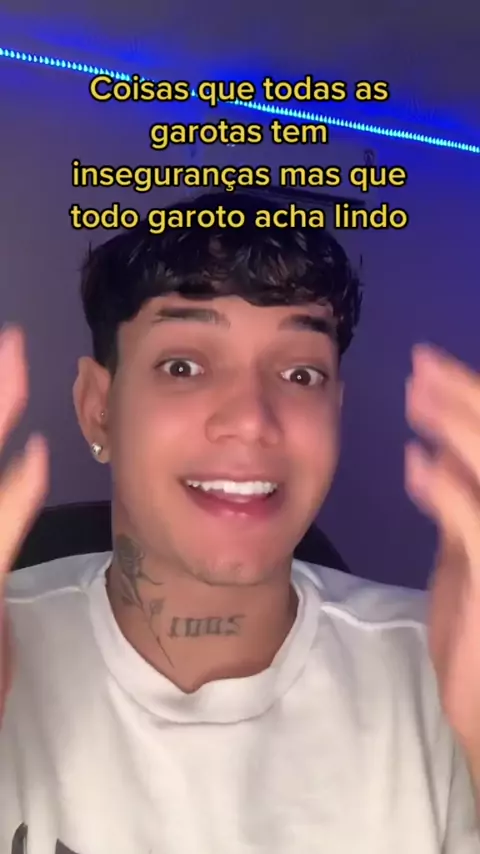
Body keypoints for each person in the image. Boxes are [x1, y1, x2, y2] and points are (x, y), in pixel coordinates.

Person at [0, 191, 479, 854]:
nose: (252, 419)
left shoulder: (450, 671)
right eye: (183, 367)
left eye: (301, 373)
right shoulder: (13, 652)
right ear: (97, 408)